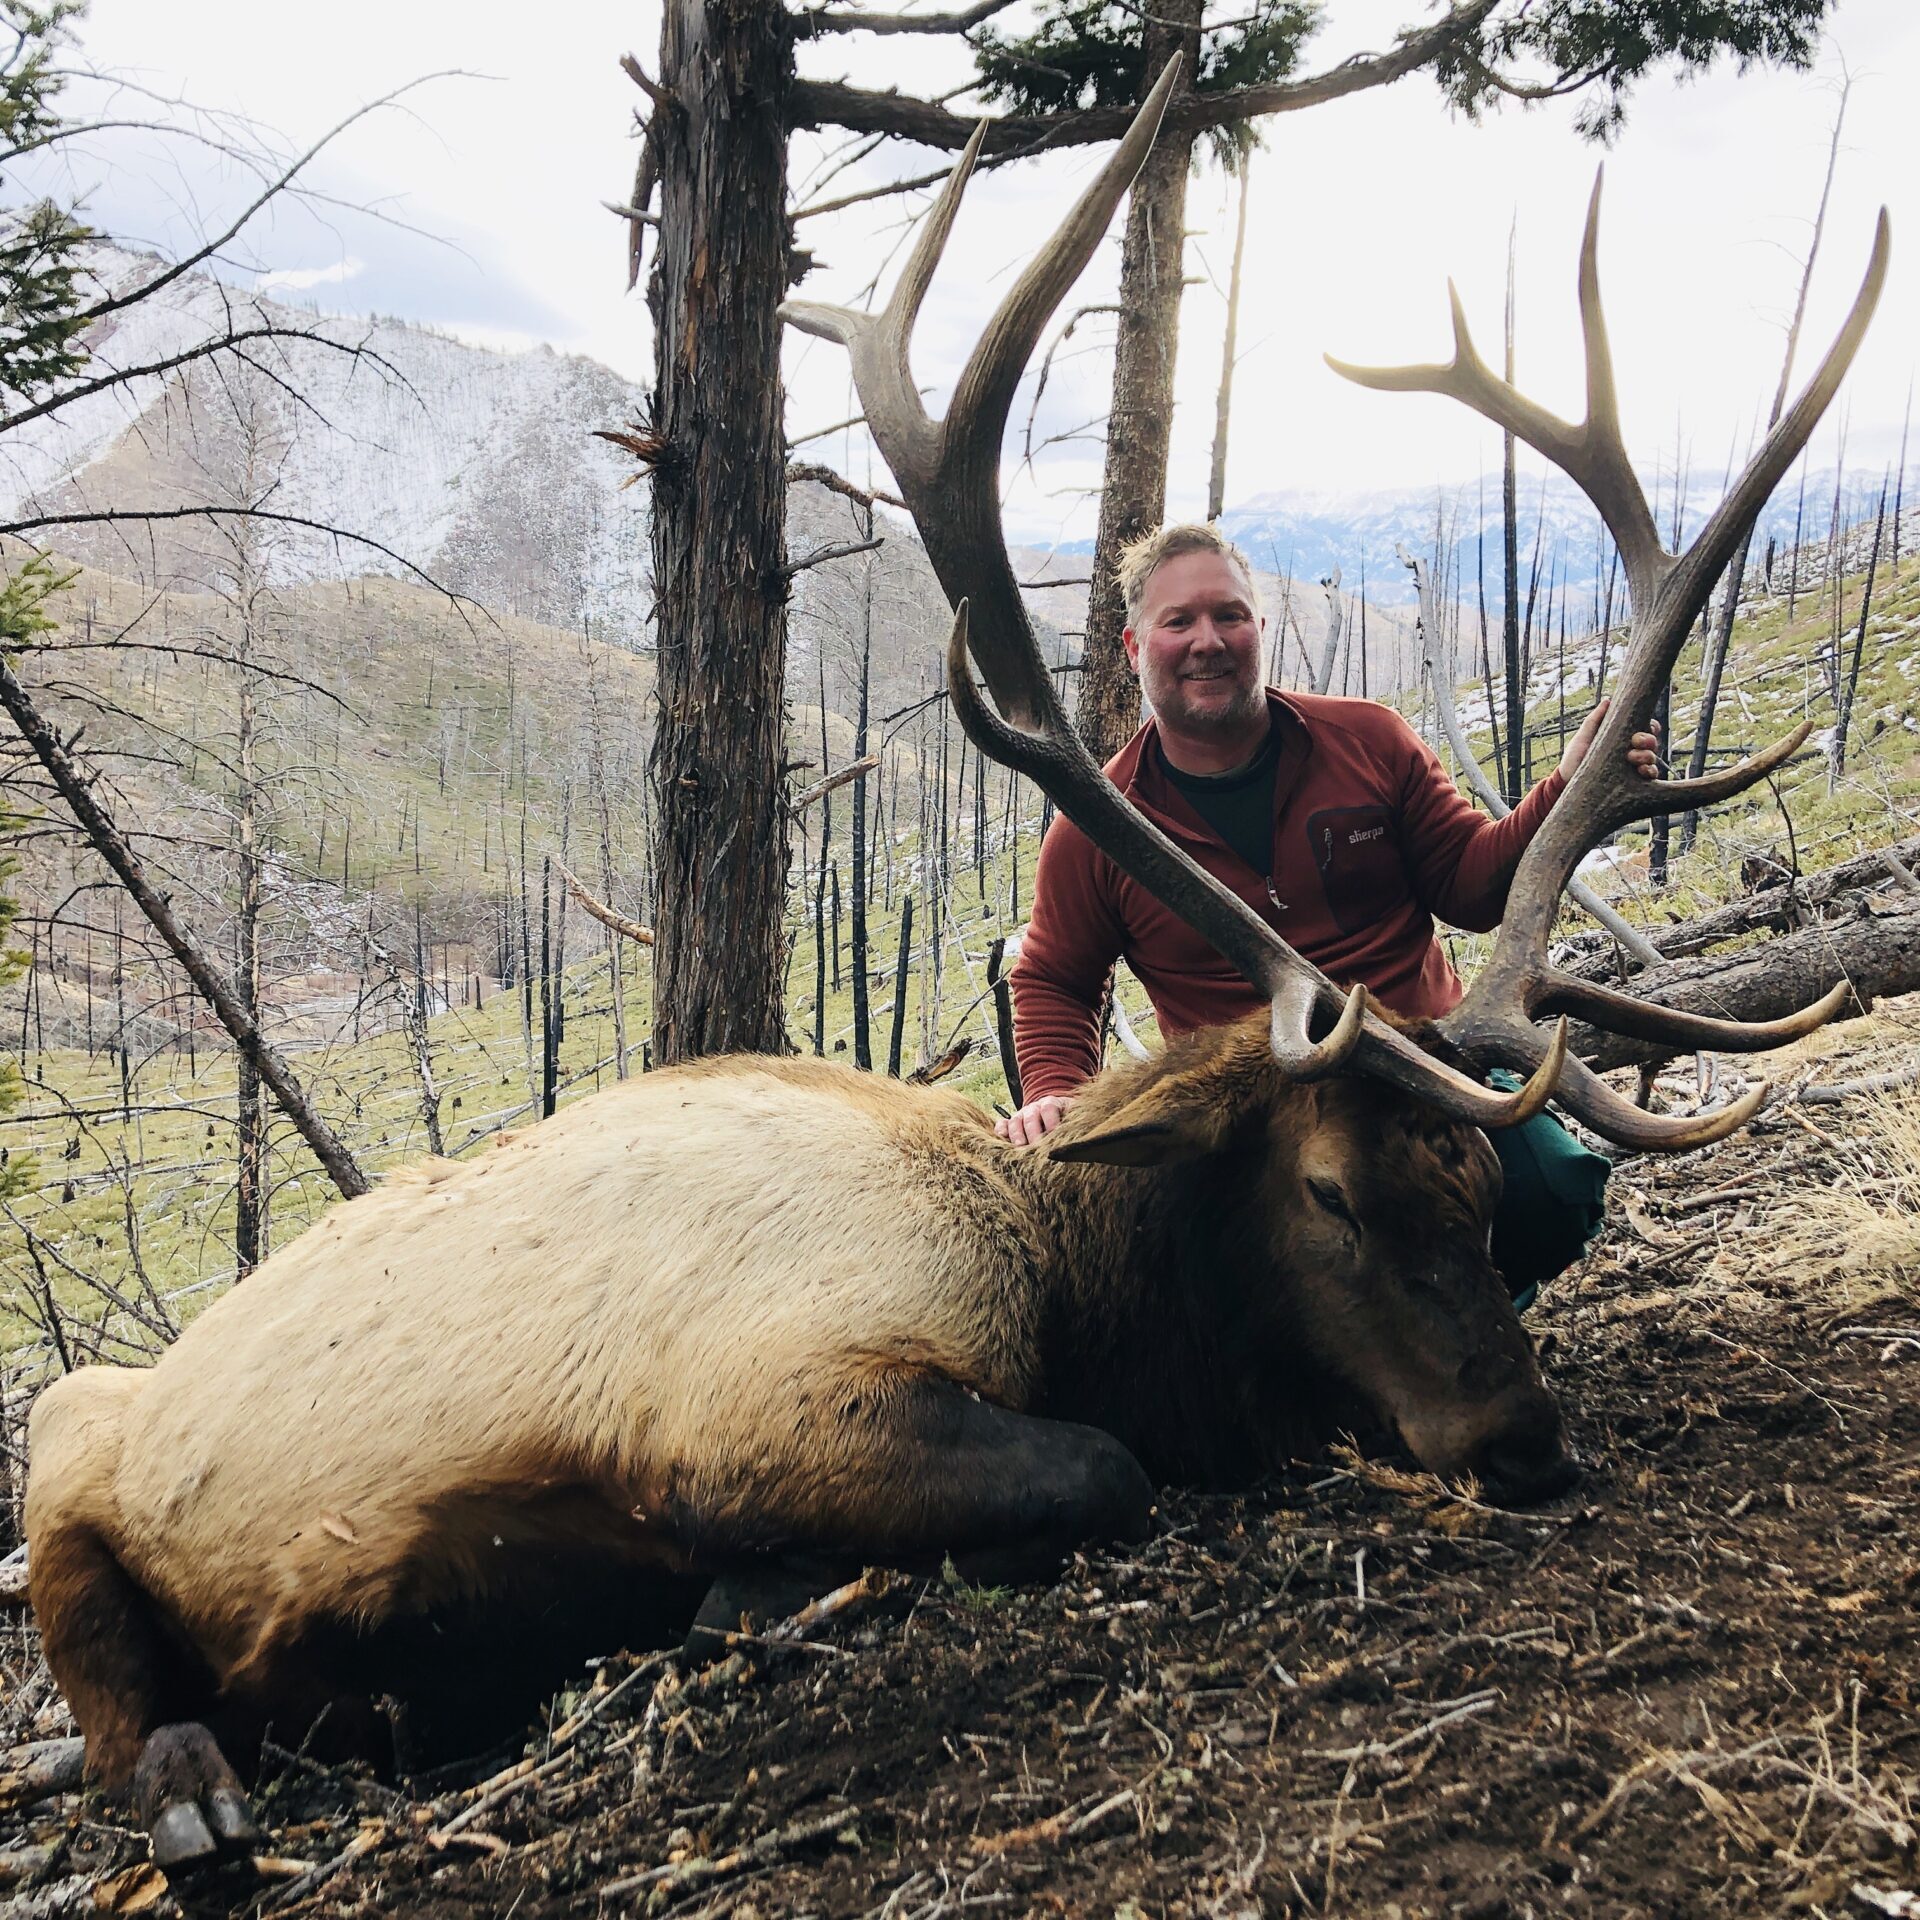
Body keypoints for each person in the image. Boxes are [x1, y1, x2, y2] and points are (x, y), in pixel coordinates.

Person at [997, 522, 1660, 1308]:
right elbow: (1053, 977)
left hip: (1424, 1064)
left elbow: (1470, 888)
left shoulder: (1369, 740)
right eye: (1178, 622)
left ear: (1260, 629)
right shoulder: (1098, 825)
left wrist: (1564, 788)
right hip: (1263, 1116)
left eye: (1229, 616)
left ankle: (1467, 1324)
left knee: (1555, 1193)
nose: (1207, 641)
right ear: (1134, 647)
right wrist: (1053, 1087)